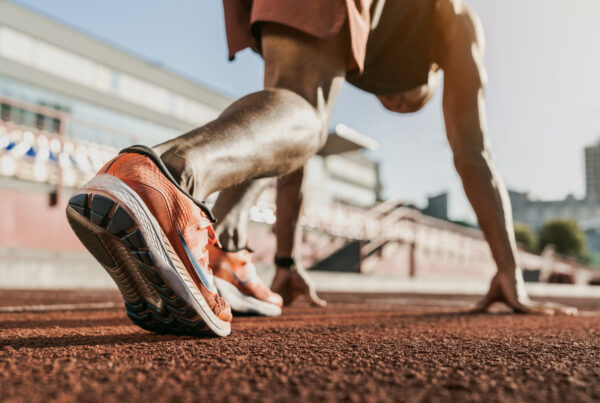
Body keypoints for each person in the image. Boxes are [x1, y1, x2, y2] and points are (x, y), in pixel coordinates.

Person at [66, 0, 574, 337]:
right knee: (304, 115)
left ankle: (221, 251)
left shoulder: (373, 36)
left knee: (287, 116)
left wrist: (286, 262)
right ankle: (163, 178)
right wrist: (510, 269)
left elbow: (286, 152)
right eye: (402, 99)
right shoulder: (455, 18)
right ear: (431, 74)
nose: (390, 101)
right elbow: (473, 152)